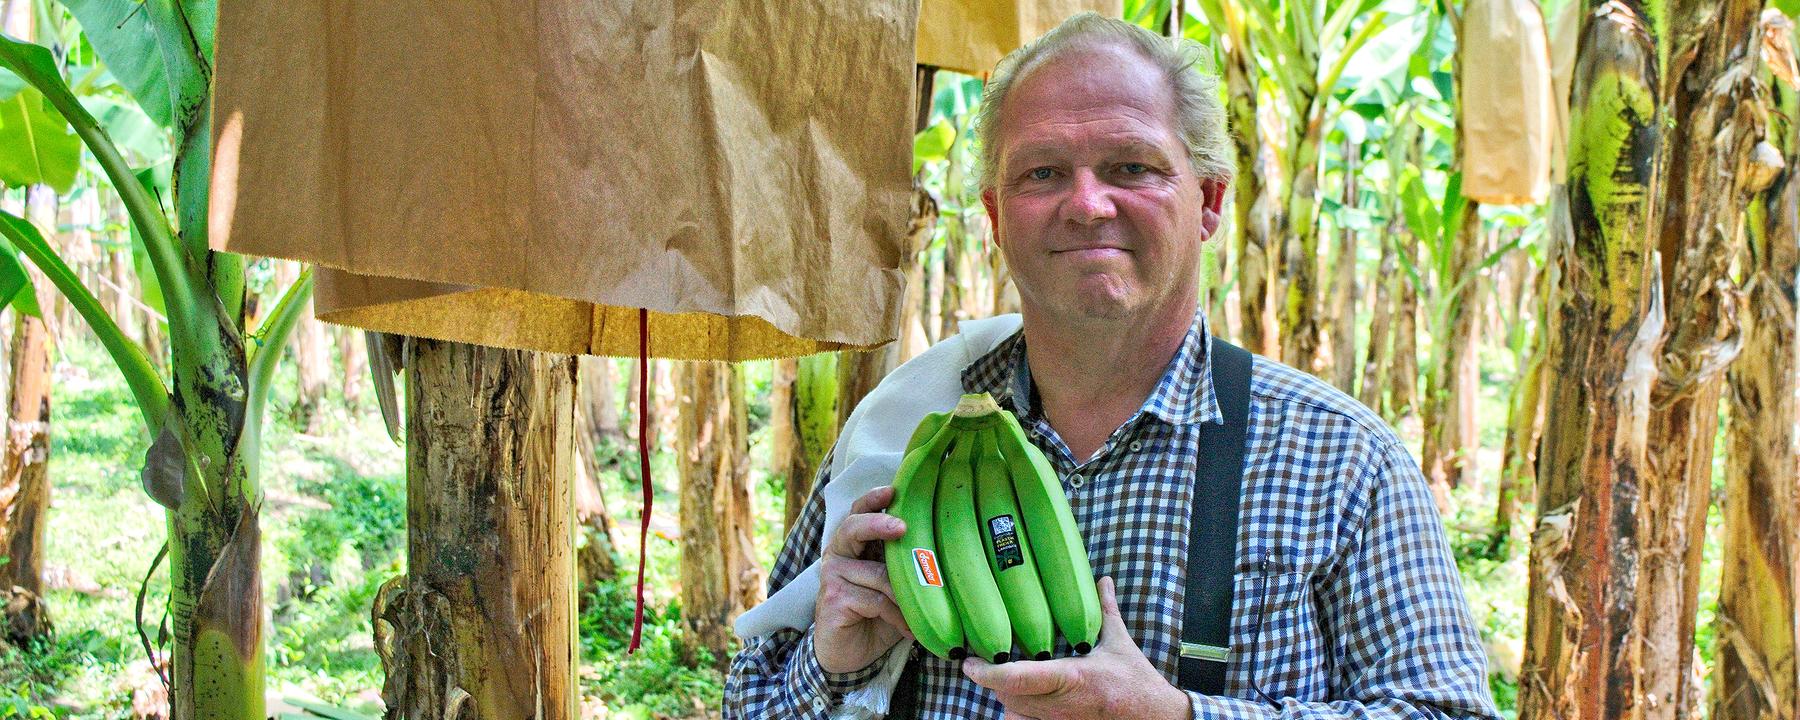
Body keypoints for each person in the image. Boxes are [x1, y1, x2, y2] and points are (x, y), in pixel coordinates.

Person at [722, 12, 1500, 720]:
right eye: (1043, 173)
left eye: (1131, 167)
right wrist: (830, 666)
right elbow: (747, 702)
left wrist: (1178, 717)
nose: (1088, 205)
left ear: (1209, 200)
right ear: (995, 217)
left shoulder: (1341, 463)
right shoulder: (900, 434)